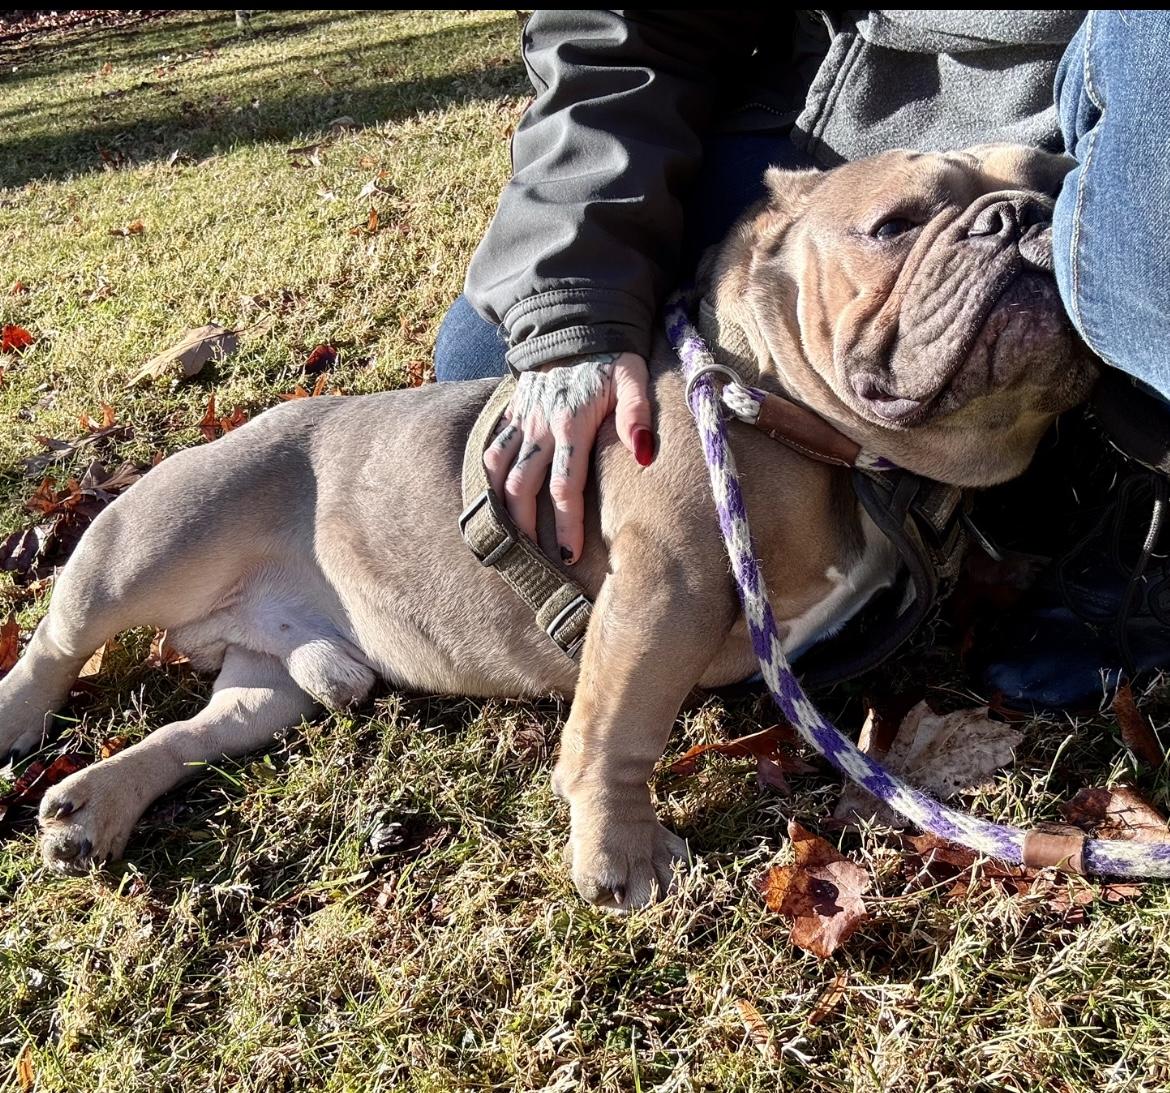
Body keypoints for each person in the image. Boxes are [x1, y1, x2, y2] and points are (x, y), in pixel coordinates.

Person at [434, 10, 1170, 710]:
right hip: (849, 116)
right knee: (488, 355)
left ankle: (1132, 480)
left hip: (1119, 111)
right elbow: (627, 31)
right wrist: (574, 307)